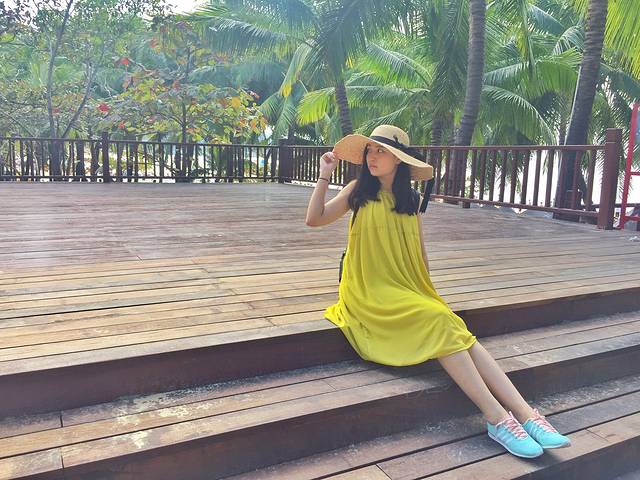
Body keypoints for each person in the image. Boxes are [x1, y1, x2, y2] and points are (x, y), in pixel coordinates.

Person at [305, 124, 571, 459]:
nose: (373, 156)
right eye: (370, 150)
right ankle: (497, 418)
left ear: (399, 159)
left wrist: (426, 294)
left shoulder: (410, 200)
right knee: (439, 320)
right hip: (366, 291)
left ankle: (527, 415)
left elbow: (419, 252)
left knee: (448, 321)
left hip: (404, 287)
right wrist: (324, 175)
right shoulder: (358, 191)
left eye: (382, 151)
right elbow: (314, 219)